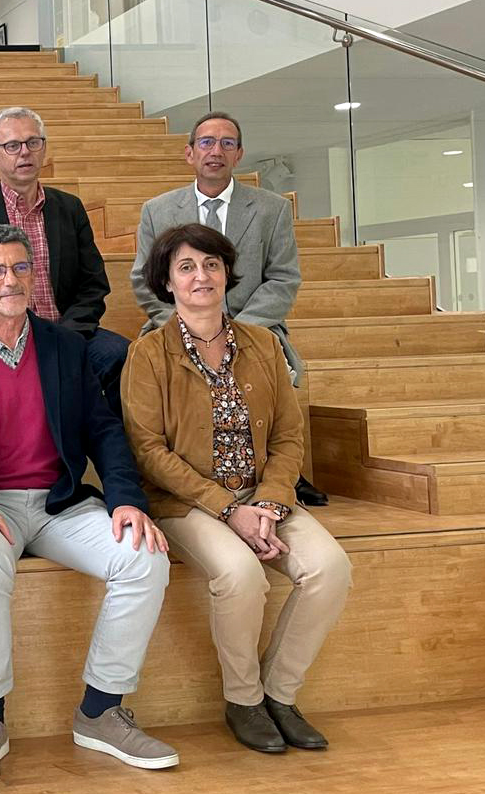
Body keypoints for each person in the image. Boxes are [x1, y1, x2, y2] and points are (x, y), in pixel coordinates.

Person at [0, 223, 178, 786]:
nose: (9, 280)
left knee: (145, 557)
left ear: (34, 277)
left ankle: (100, 710)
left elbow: (103, 429)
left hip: (60, 503)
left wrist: (126, 500)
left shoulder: (65, 345)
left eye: (20, 268)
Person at [122, 223, 352, 755]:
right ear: (167, 282)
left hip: (265, 496)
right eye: (186, 267)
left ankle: (280, 695)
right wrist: (230, 510)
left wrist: (269, 503)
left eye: (211, 265)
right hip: (189, 503)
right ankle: (243, 701)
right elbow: (148, 451)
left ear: (227, 274)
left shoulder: (264, 344)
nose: (201, 276)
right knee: (241, 575)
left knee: (331, 569)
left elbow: (289, 435)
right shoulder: (148, 354)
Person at [128, 111, 328, 506]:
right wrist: (190, 324)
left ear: (239, 154)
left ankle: (276, 472)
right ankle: (183, 475)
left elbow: (283, 278)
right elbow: (143, 279)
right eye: (206, 142)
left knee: (274, 363)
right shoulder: (158, 210)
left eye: (227, 143)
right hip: (177, 323)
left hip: (255, 325)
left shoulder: (272, 209)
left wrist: (234, 329)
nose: (216, 151)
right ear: (190, 153)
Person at [0, 107, 128, 407]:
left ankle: (111, 438)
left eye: (33, 142)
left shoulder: (70, 208)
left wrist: (65, 336)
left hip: (68, 330)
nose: (24, 152)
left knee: (120, 354)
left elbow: (93, 285)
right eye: (12, 145)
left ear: (44, 148)